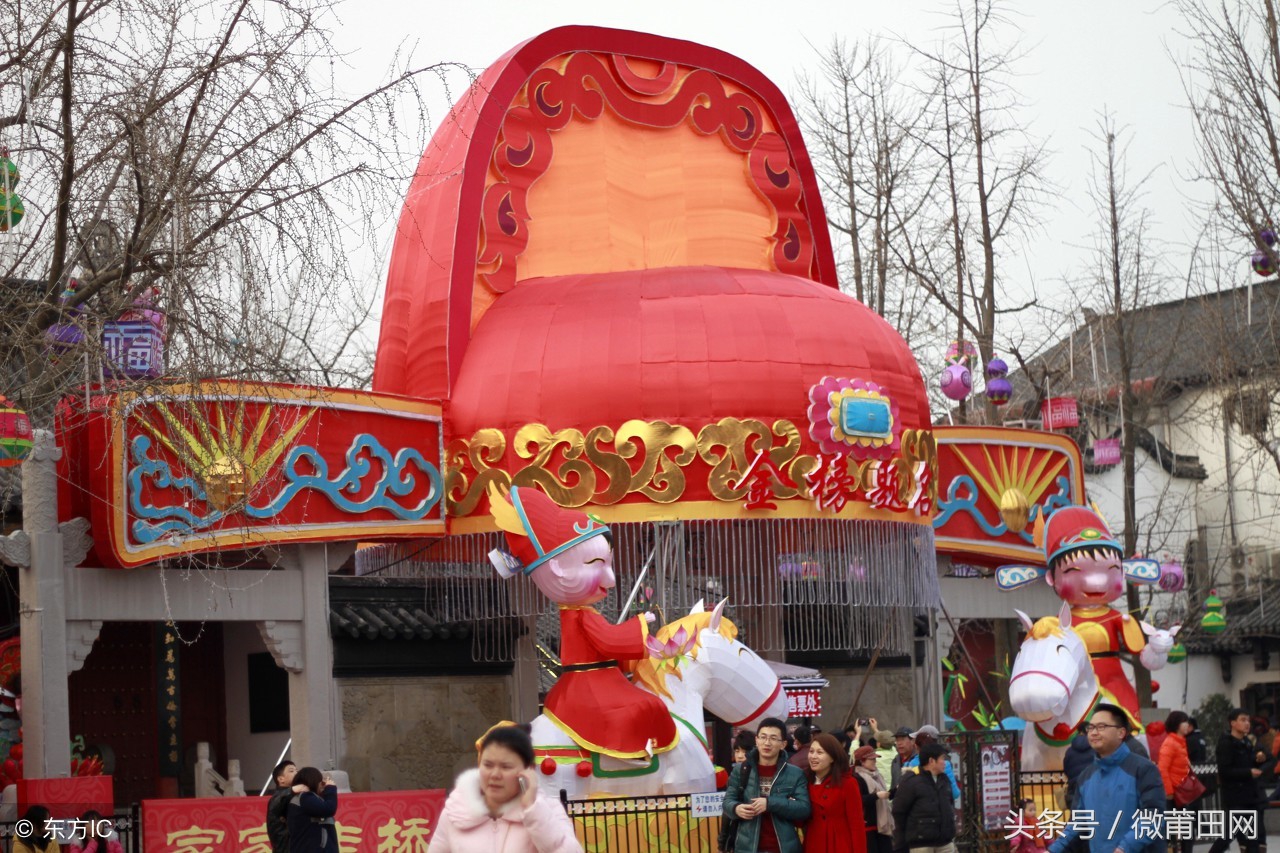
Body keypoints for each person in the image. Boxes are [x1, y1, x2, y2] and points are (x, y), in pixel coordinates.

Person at [428, 725, 580, 853]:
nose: (495, 774)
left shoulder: (548, 810)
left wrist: (533, 810)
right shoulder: (455, 813)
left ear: (529, 770)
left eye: (506, 767)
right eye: (488, 765)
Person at [1046, 703, 1166, 853]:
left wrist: (1124, 848)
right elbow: (1077, 824)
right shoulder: (1085, 777)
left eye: (1101, 727)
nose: (1094, 733)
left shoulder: (1143, 769)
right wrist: (1052, 850)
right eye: (1091, 728)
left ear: (1121, 732)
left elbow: (1153, 818)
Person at [723, 717, 812, 853]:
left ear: (783, 744)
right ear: (756, 740)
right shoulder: (741, 770)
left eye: (773, 738)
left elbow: (804, 809)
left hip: (783, 848)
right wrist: (736, 808)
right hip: (747, 847)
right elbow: (727, 801)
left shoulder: (795, 773)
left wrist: (770, 803)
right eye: (763, 737)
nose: (767, 743)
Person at [1205, 708, 1266, 853]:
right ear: (1233, 723)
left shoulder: (1246, 741)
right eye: (1243, 720)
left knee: (1253, 837)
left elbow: (1249, 764)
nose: (1247, 724)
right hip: (1235, 798)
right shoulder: (1226, 743)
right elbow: (1225, 771)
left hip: (1250, 796)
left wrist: (1257, 761)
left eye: (1248, 720)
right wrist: (1249, 772)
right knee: (1228, 835)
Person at [803, 733, 866, 853]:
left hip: (839, 844)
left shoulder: (848, 783)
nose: (813, 757)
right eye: (811, 751)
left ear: (832, 757)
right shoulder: (805, 781)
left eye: (820, 752)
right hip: (814, 842)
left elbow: (856, 825)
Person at [891, 743, 957, 853]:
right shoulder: (911, 781)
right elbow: (899, 811)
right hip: (921, 843)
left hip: (945, 842)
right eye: (942, 759)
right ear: (932, 761)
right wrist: (902, 840)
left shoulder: (944, 780)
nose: (945, 763)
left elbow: (950, 804)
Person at [721, 730, 761, 852]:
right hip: (739, 837)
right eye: (737, 751)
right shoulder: (737, 773)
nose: (739, 755)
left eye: (744, 751)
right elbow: (727, 813)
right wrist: (722, 843)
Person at [902, 727, 960, 805]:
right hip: (942, 812)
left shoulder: (911, 765)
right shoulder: (945, 764)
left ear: (917, 746)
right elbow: (955, 793)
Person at [287, 766, 339, 853]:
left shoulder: (307, 798)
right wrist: (330, 788)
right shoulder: (305, 797)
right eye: (320, 781)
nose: (322, 785)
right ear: (313, 781)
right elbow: (329, 809)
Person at [853, 745, 894, 853]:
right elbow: (856, 800)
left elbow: (885, 796)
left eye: (875, 758)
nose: (875, 761)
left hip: (882, 826)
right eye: (872, 759)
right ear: (862, 761)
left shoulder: (877, 776)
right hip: (868, 827)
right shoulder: (856, 778)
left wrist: (895, 791)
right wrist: (876, 796)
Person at [1157, 711, 1192, 805]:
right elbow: (1162, 769)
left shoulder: (1180, 742)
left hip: (1182, 790)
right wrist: (1169, 792)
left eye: (1187, 722)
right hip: (1175, 792)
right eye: (1184, 722)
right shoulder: (1170, 743)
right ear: (1176, 724)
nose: (1187, 725)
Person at [267, 759, 297, 853]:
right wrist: (292, 790)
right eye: (291, 771)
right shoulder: (279, 797)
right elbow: (278, 801)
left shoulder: (296, 795)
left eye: (297, 771)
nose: (296, 773)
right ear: (281, 779)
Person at [1062, 725, 1094, 807]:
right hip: (1092, 785)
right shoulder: (1096, 748)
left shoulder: (1070, 750)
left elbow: (1066, 768)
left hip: (1074, 785)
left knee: (1076, 814)